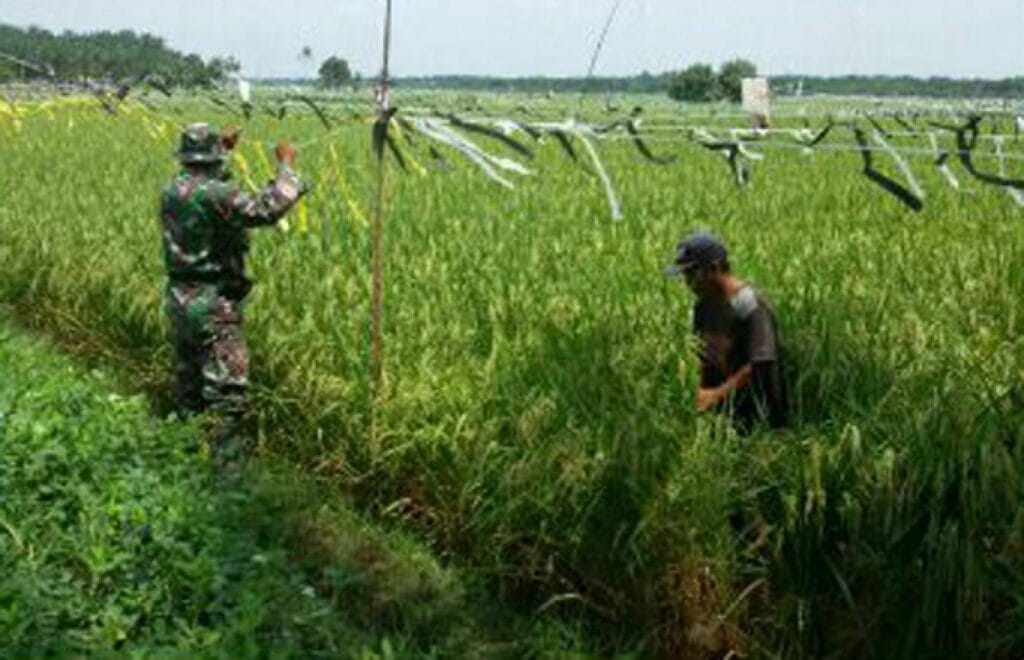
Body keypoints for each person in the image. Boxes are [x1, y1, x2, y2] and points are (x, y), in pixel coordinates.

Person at [160, 122, 306, 451]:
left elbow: (212, 195)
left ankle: (183, 453)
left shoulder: (172, 190)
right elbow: (267, 209)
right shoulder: (216, 193)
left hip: (180, 297)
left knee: (190, 383)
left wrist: (222, 151)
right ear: (212, 159)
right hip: (213, 302)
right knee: (228, 392)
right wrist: (286, 166)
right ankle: (225, 473)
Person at [665, 231, 788, 433]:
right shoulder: (703, 307)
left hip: (756, 420)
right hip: (720, 419)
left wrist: (715, 395)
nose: (688, 283)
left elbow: (761, 363)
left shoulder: (748, 304)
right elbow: (702, 357)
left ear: (714, 268)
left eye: (691, 274)